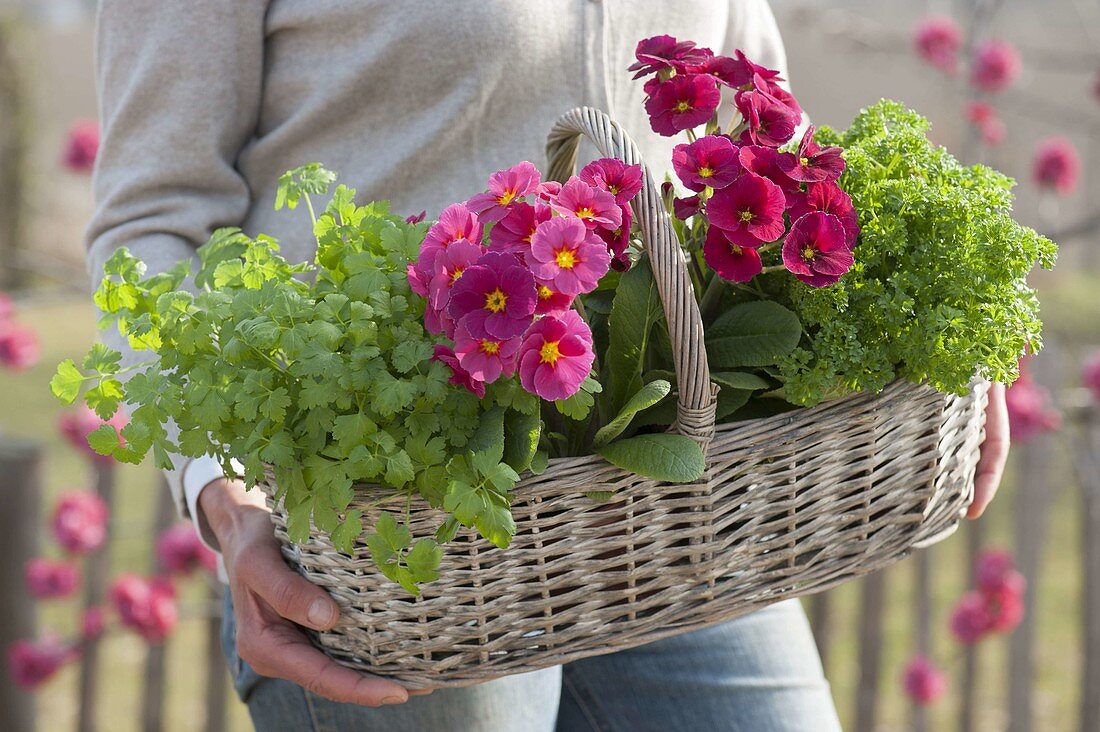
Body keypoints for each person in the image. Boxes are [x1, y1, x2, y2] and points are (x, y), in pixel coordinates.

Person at [88, 1, 1009, 730]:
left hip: (678, 508)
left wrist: (945, 344)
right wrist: (225, 496)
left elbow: (765, 134)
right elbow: (150, 224)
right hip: (406, 545)